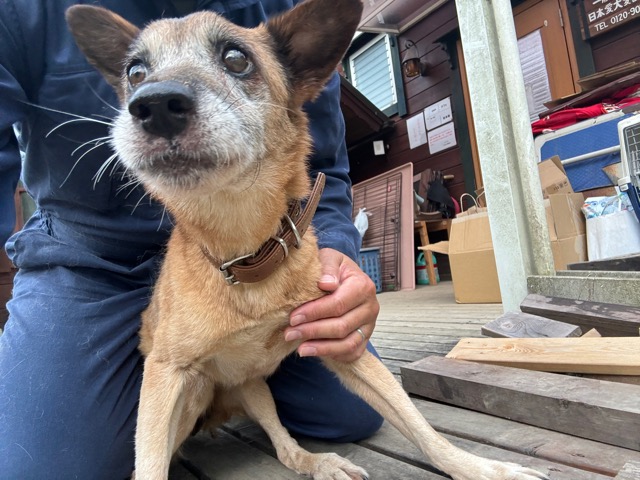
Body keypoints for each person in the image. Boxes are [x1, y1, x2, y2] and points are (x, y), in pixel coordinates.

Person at [0, 1, 383, 478]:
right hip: (88, 262)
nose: (155, 97)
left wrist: (335, 254)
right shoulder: (21, 10)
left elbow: (322, 163)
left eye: (235, 61)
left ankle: (221, 381)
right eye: (137, 73)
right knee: (37, 468)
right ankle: (195, 384)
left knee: (353, 414)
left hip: (253, 254)